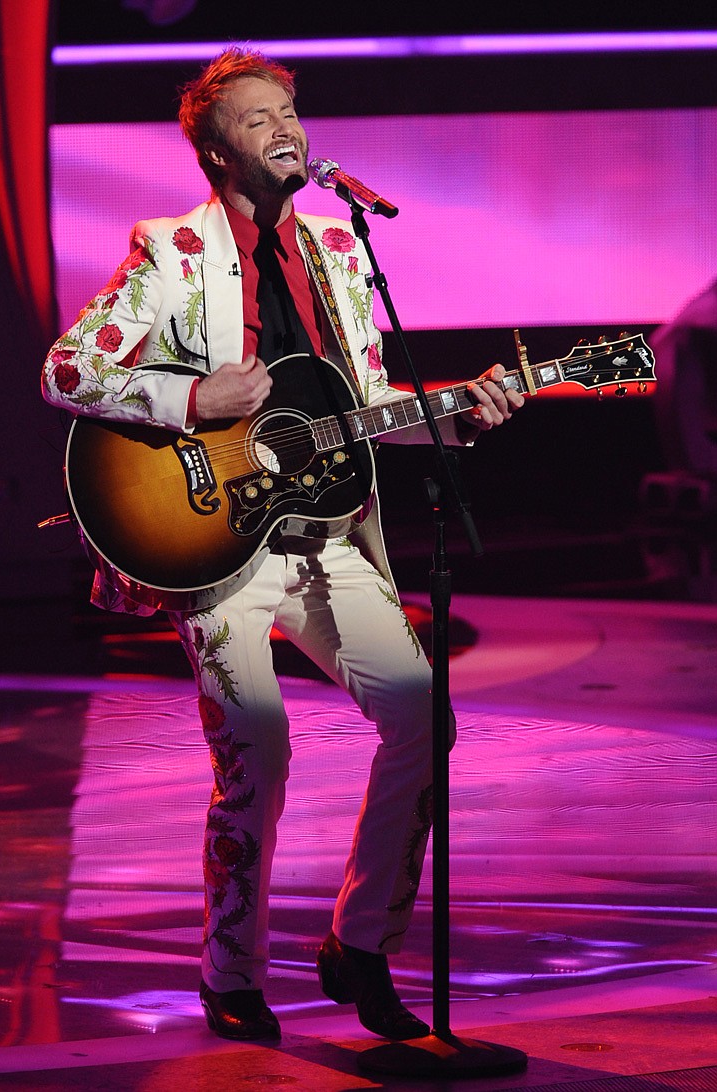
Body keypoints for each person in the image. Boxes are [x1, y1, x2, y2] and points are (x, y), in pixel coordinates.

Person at [42, 47, 524, 1043]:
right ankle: (231, 971)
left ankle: (362, 943)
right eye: (257, 117)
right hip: (215, 545)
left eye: (287, 110)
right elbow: (65, 368)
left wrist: (450, 415)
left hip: (327, 537)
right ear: (218, 155)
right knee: (259, 749)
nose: (283, 128)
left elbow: (361, 405)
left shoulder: (343, 254)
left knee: (422, 721)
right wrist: (189, 397)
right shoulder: (170, 249)